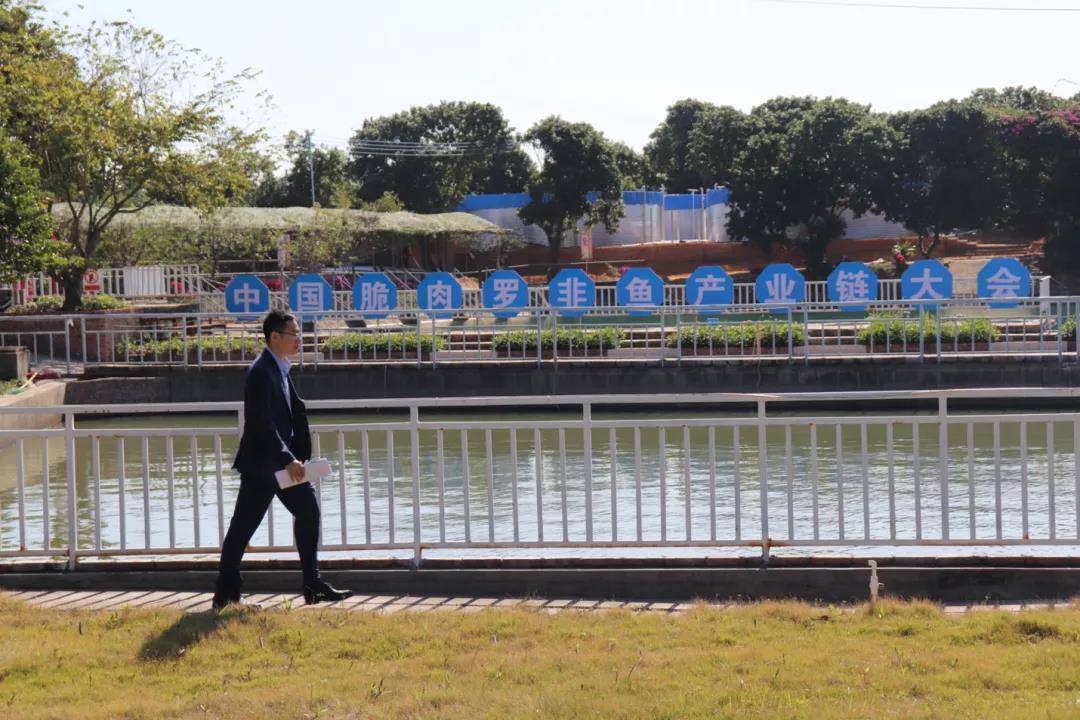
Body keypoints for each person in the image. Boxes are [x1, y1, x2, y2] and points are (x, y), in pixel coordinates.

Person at [212, 309, 353, 609]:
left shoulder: (279, 367)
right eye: (294, 334)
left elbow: (288, 414)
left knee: (308, 512)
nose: (299, 339)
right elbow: (261, 422)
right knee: (242, 529)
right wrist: (287, 457)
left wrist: (296, 455)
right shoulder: (261, 372)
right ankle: (226, 596)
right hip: (264, 466)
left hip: (280, 465)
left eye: (299, 333)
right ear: (275, 337)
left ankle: (312, 585)